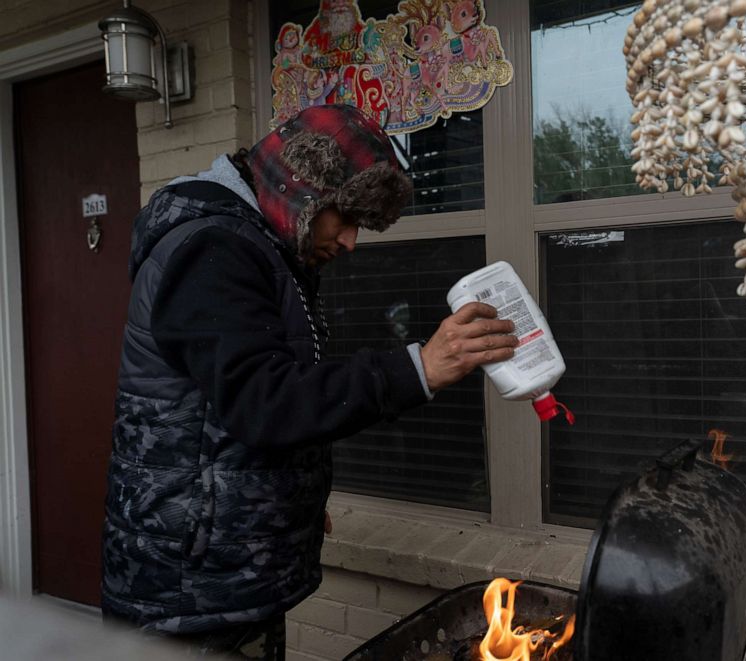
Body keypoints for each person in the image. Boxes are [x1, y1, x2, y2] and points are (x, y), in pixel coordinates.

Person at [101, 104, 517, 659]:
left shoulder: (266, 248)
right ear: (299, 189)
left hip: (233, 573)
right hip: (186, 593)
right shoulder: (213, 248)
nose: (350, 241)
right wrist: (418, 368)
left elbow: (253, 404)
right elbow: (264, 401)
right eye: (343, 217)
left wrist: (289, 492)